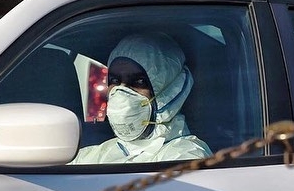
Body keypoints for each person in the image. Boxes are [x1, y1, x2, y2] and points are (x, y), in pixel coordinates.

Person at [71, 31, 211, 163]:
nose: (121, 93)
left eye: (139, 81)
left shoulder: (186, 156)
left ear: (170, 92)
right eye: (115, 80)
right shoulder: (95, 156)